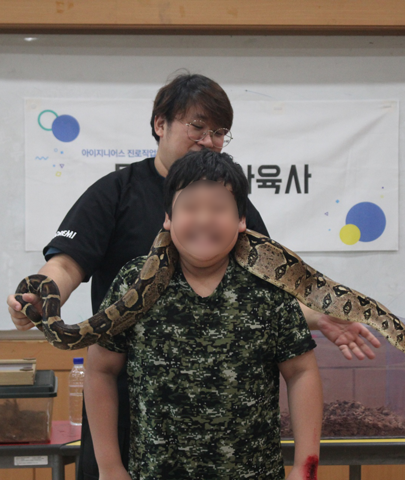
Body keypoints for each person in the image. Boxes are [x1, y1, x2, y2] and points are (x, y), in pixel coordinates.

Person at [7, 72, 380, 479]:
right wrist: (42, 297)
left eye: (218, 132)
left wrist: (317, 315)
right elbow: (65, 265)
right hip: (128, 402)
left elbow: (266, 295)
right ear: (160, 124)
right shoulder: (115, 192)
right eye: (197, 127)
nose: (208, 140)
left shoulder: (237, 207)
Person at [86, 150, 323, 480]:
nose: (203, 219)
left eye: (218, 208)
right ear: (168, 218)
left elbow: (301, 374)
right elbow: (100, 370)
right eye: (190, 207)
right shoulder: (133, 282)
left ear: (241, 220)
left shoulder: (269, 287)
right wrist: (109, 466)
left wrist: (305, 467)